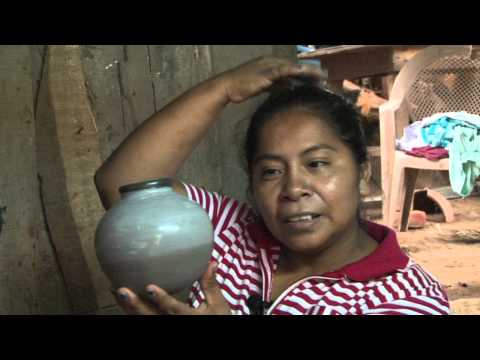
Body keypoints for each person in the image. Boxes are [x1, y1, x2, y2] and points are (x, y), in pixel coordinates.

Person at [94, 56, 451, 315]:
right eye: (270, 171)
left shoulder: (405, 298)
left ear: (361, 172)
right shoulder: (228, 235)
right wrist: (224, 89)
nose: (294, 187)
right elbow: (123, 186)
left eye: (316, 164)